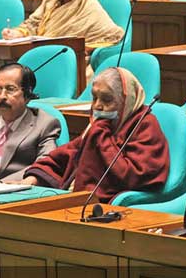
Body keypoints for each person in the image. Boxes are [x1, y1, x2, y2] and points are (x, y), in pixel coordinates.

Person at [21, 68, 168, 202]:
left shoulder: (144, 124)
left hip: (111, 204)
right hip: (76, 198)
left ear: (126, 100)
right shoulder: (101, 126)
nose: (97, 105)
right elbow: (67, 155)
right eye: (94, 98)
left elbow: (133, 176)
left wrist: (101, 135)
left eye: (106, 99)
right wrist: (33, 179)